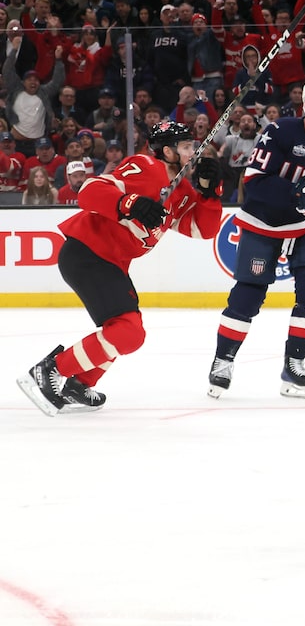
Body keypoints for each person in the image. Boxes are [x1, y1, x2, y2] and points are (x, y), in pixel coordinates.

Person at [16, 121, 223, 416]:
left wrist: (210, 194)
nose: (195, 152)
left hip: (110, 262)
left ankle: (79, 384)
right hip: (88, 254)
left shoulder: (181, 190)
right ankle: (50, 371)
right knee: (128, 332)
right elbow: (89, 192)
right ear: (168, 151)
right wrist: (129, 202)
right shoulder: (146, 166)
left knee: (125, 330)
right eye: (188, 147)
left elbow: (203, 229)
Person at [207, 77, 305, 400]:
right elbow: (255, 182)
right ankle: (223, 359)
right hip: (264, 222)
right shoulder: (279, 131)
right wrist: (294, 191)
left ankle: (295, 364)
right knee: (248, 294)